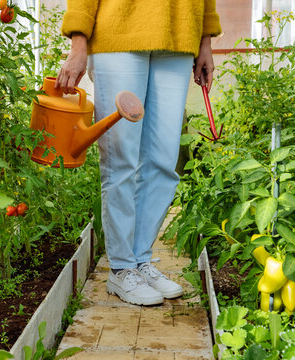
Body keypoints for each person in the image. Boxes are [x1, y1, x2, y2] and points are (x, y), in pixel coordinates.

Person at [55, 1, 221, 306]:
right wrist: (79, 43)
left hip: (179, 33)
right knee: (122, 160)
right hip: (118, 32)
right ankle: (121, 268)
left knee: (163, 161)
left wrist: (205, 39)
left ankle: (140, 260)